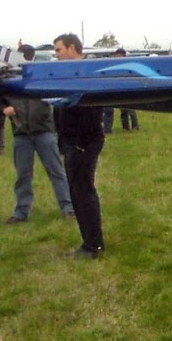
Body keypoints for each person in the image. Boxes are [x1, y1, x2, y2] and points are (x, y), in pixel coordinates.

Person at [1, 44, 74, 224]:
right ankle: (21, 212)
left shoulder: (41, 73)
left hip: (44, 131)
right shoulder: (8, 76)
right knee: (23, 175)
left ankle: (68, 207)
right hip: (21, 134)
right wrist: (4, 108)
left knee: (56, 171)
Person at [53, 33, 106, 258]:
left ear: (72, 48)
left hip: (82, 141)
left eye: (58, 50)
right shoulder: (68, 75)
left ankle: (92, 246)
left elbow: (89, 110)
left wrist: (77, 143)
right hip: (73, 141)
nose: (55, 55)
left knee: (82, 192)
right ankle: (92, 242)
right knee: (81, 191)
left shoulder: (86, 74)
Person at [112, 48, 140, 130]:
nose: (116, 56)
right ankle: (125, 127)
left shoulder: (128, 64)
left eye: (118, 54)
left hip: (128, 87)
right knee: (123, 109)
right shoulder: (116, 64)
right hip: (119, 88)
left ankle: (135, 126)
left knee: (130, 108)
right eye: (116, 54)